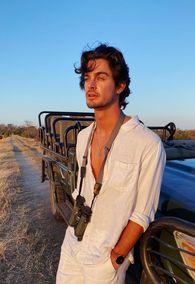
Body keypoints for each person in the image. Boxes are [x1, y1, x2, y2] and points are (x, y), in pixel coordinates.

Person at [56, 44, 166, 284]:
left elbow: (142, 213)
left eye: (101, 77)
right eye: (87, 78)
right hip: (72, 246)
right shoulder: (83, 137)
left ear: (120, 85)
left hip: (105, 261)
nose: (91, 85)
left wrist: (115, 259)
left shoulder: (147, 143)